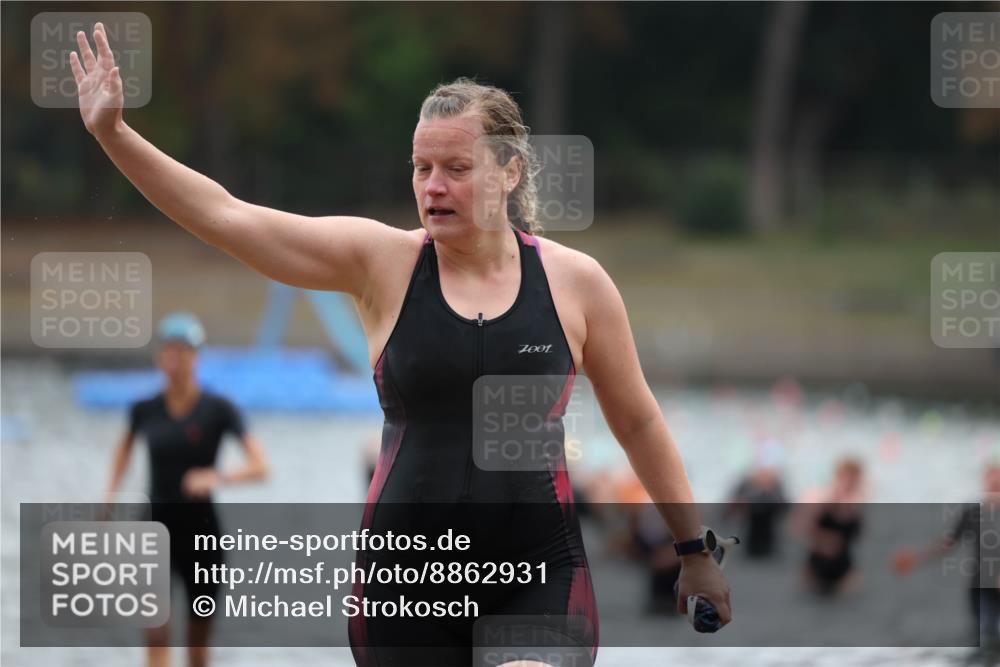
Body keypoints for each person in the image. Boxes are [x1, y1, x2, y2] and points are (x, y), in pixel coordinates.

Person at [73, 23, 731, 666]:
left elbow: (638, 419)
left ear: (509, 171)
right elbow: (227, 217)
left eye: (455, 167)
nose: (432, 186)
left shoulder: (575, 283)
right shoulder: (381, 263)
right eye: (421, 167)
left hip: (537, 570)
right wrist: (116, 134)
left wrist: (694, 550)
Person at [104, 312, 270, 667]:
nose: (174, 361)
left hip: (202, 534)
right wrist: (109, 496)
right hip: (153, 529)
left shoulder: (219, 410)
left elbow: (260, 465)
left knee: (197, 649)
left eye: (182, 353)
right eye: (168, 353)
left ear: (196, 357)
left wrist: (217, 476)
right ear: (159, 358)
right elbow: (123, 450)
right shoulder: (143, 409)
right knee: (156, 635)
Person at [893, 464, 1000, 650]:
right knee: (984, 633)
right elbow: (947, 543)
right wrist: (917, 557)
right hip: (980, 582)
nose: (994, 486)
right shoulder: (973, 513)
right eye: (992, 481)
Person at [792, 457, 866, 596]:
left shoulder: (857, 503)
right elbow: (797, 527)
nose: (850, 483)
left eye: (854, 480)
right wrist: (823, 540)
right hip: (815, 569)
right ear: (838, 476)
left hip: (845, 572)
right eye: (847, 478)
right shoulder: (821, 496)